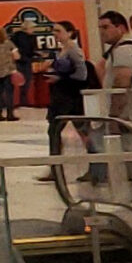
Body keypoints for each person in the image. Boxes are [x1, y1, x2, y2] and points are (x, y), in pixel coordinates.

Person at [44, 20, 88, 169]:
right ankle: (55, 167)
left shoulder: (73, 50)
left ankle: (97, 167)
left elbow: (82, 75)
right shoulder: (63, 49)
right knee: (54, 132)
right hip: (60, 96)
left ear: (69, 33)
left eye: (58, 31)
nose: (55, 34)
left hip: (70, 97)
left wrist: (60, 77)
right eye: (54, 31)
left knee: (81, 131)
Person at [0, 27, 17, 124]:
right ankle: (10, 114)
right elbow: (17, 56)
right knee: (9, 94)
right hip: (8, 71)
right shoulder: (8, 44)